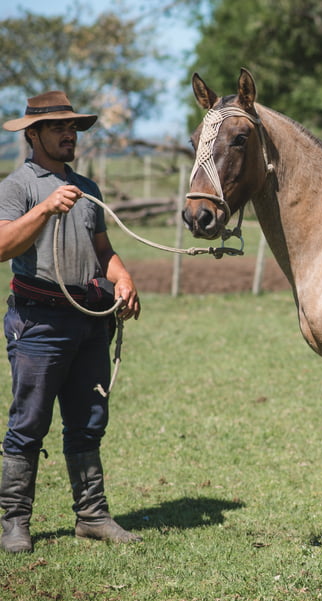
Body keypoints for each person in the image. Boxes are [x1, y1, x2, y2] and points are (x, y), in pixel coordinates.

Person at [0, 91, 142, 553]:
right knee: (29, 423)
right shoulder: (17, 186)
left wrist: (123, 281)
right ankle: (15, 523)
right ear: (34, 135)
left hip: (88, 323)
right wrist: (44, 209)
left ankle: (92, 516)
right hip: (38, 323)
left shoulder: (88, 188)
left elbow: (104, 253)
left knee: (88, 422)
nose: (69, 135)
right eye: (59, 128)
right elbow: (2, 247)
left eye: (74, 128)